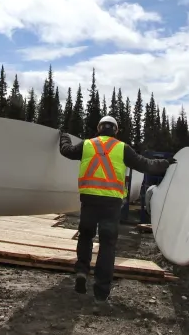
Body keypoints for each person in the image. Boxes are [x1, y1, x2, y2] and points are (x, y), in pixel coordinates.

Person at [58, 115, 174, 303]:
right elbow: (146, 164)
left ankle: (81, 272)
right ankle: (101, 292)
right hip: (111, 204)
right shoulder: (122, 148)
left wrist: (63, 136)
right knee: (107, 245)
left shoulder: (88, 145)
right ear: (116, 131)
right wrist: (166, 163)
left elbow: (67, 151)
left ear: (99, 128)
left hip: (89, 200)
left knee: (86, 236)